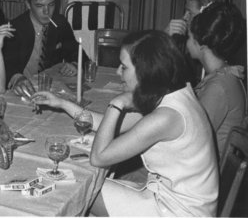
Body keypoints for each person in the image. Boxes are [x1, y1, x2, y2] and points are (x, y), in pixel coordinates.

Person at [32, 30, 218, 216]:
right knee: (79, 185)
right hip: (173, 198)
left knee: (76, 190)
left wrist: (117, 103)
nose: (118, 72)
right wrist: (61, 103)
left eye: (124, 67)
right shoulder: (173, 93)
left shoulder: (166, 117)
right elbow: (108, 124)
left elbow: (99, 157)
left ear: (145, 69)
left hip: (178, 211)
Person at [3, 0, 88, 96]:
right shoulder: (15, 28)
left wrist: (74, 64)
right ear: (28, 4)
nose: (47, 11)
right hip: (23, 91)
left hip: (51, 88)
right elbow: (7, 64)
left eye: (51, 5)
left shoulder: (59, 23)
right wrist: (18, 78)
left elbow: (78, 53)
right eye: (39, 6)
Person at [187, 3, 247, 158]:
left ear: (201, 45)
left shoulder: (219, 86)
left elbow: (190, 139)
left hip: (203, 175)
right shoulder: (223, 76)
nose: (186, 42)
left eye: (189, 37)